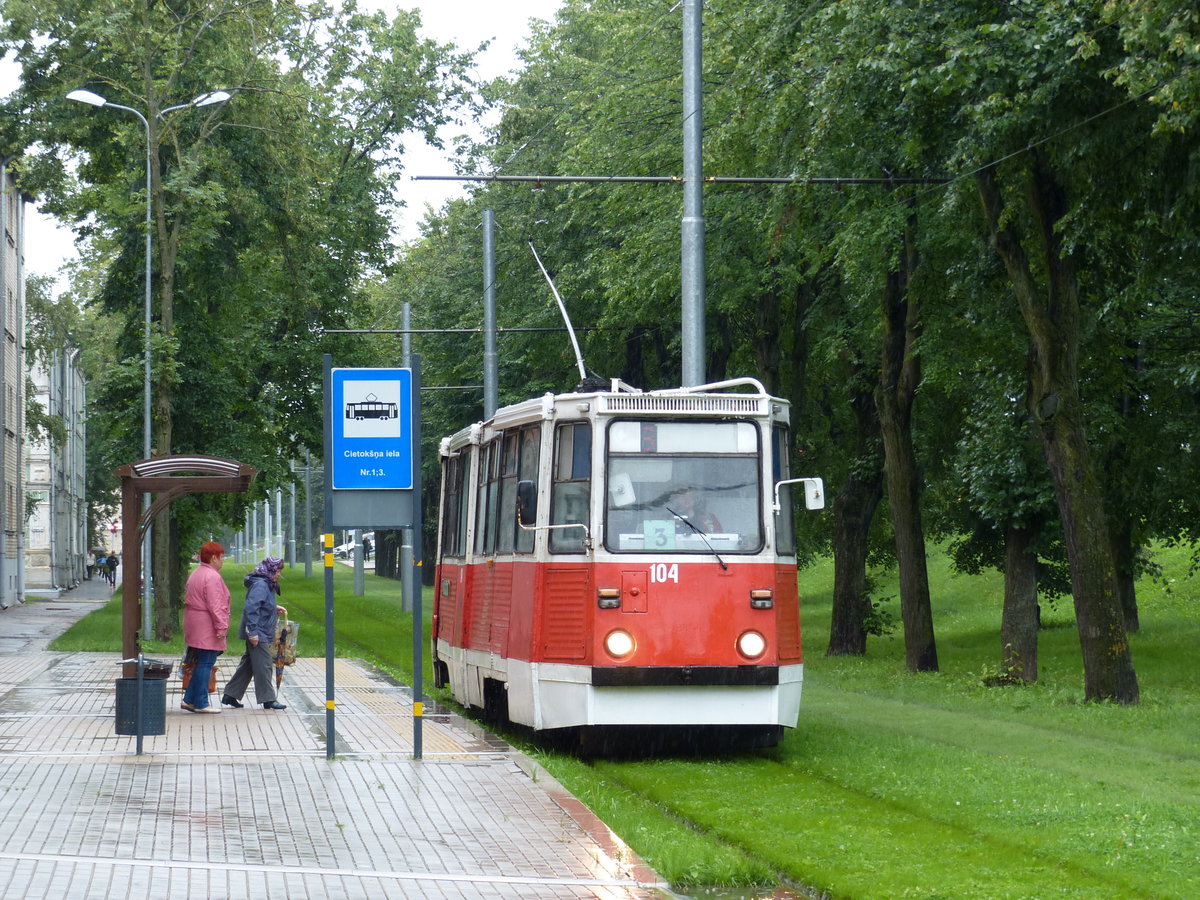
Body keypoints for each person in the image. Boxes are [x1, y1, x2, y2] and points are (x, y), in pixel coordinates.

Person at [221, 557, 288, 710]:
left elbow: (261, 604)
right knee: (264, 664)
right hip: (258, 631)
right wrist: (252, 633)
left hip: (260, 630)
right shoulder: (261, 585)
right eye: (277, 571)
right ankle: (268, 699)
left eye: (280, 571)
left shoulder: (265, 583)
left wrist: (273, 608)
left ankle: (230, 694)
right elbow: (251, 608)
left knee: (249, 664)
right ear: (268, 570)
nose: (279, 574)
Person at [181, 541, 230, 713]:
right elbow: (215, 605)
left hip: (195, 623)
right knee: (206, 662)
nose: (223, 560)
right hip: (207, 625)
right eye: (221, 556)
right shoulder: (212, 576)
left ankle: (189, 699)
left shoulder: (196, 573)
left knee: (202, 661)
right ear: (214, 558)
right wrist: (221, 627)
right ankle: (201, 702)